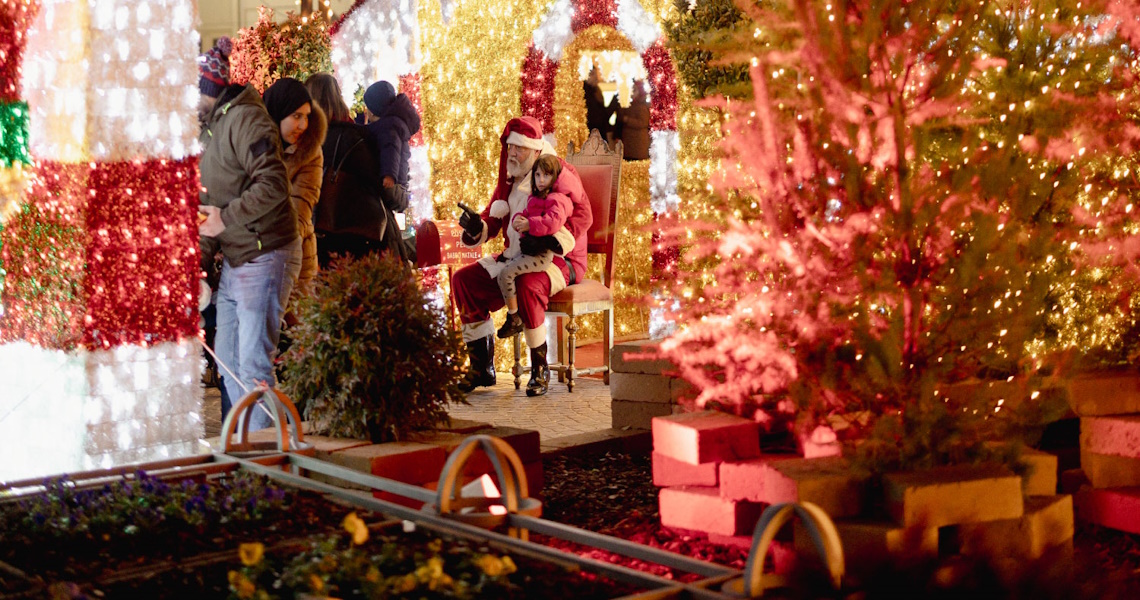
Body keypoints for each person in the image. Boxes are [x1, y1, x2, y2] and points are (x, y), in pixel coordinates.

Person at [452, 116, 592, 397]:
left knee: (527, 284)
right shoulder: (509, 178)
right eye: (510, 147)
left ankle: (540, 369)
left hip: (558, 260)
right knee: (464, 281)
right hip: (516, 255)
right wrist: (476, 227)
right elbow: (492, 218)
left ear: (536, 150)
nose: (512, 153)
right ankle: (482, 369)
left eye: (519, 148)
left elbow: (584, 214)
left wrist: (551, 241)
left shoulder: (555, 173)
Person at [198, 73, 299, 430]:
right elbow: (207, 209)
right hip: (239, 258)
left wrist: (226, 218)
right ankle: (251, 454)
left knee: (253, 366)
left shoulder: (245, 119)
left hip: (267, 251)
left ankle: (268, 466)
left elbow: (273, 184)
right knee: (227, 363)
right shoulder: (207, 131)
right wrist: (199, 264)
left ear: (206, 93)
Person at [305, 73, 388, 265]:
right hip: (352, 239)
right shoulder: (352, 137)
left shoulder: (304, 140)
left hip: (313, 235)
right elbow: (377, 183)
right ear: (337, 99)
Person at [262, 77, 328, 318]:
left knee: (294, 333)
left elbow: (301, 208)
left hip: (296, 258)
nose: (302, 124)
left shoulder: (309, 153)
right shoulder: (254, 145)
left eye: (306, 116)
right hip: (255, 260)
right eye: (296, 116)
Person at [495, 155, 572, 340]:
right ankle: (515, 314)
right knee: (503, 273)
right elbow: (523, 213)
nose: (541, 180)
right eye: (537, 175)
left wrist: (530, 224)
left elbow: (553, 222)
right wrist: (517, 221)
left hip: (540, 254)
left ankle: (514, 318)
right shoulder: (533, 198)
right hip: (526, 250)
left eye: (546, 175)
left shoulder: (557, 199)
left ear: (555, 177)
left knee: (505, 275)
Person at [361, 80, 421, 215]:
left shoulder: (389, 127)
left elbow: (391, 149)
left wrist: (389, 175)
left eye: (368, 108)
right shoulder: (391, 124)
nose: (367, 112)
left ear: (375, 110)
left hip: (394, 184)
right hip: (397, 184)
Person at [617, 80, 650, 161]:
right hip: (629, 142)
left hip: (638, 143)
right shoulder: (628, 103)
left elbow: (643, 122)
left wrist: (627, 120)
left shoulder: (641, 105)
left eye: (634, 90)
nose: (632, 93)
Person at [583, 66, 617, 144]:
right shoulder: (586, 92)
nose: (596, 77)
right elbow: (599, 116)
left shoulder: (596, 90)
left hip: (597, 134)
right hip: (593, 135)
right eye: (592, 74)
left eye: (596, 74)